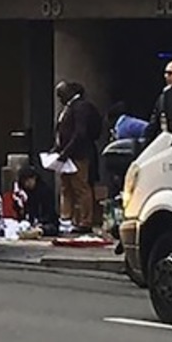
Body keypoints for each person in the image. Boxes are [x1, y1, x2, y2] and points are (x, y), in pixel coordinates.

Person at [52, 81, 102, 235]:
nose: (59, 99)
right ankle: (66, 219)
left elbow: (80, 133)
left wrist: (66, 152)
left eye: (61, 95)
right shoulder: (68, 108)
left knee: (80, 187)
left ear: (69, 93)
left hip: (78, 154)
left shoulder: (81, 107)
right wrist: (57, 149)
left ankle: (85, 221)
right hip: (66, 153)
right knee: (66, 187)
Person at [144, 59, 172, 145]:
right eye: (165, 73)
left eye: (170, 73)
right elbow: (153, 125)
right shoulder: (163, 97)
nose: (166, 76)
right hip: (167, 142)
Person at [17, 167, 59, 237]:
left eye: (28, 181)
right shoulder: (26, 193)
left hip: (47, 222)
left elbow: (49, 213)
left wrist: (41, 222)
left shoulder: (45, 191)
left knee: (49, 228)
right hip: (32, 222)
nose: (27, 184)